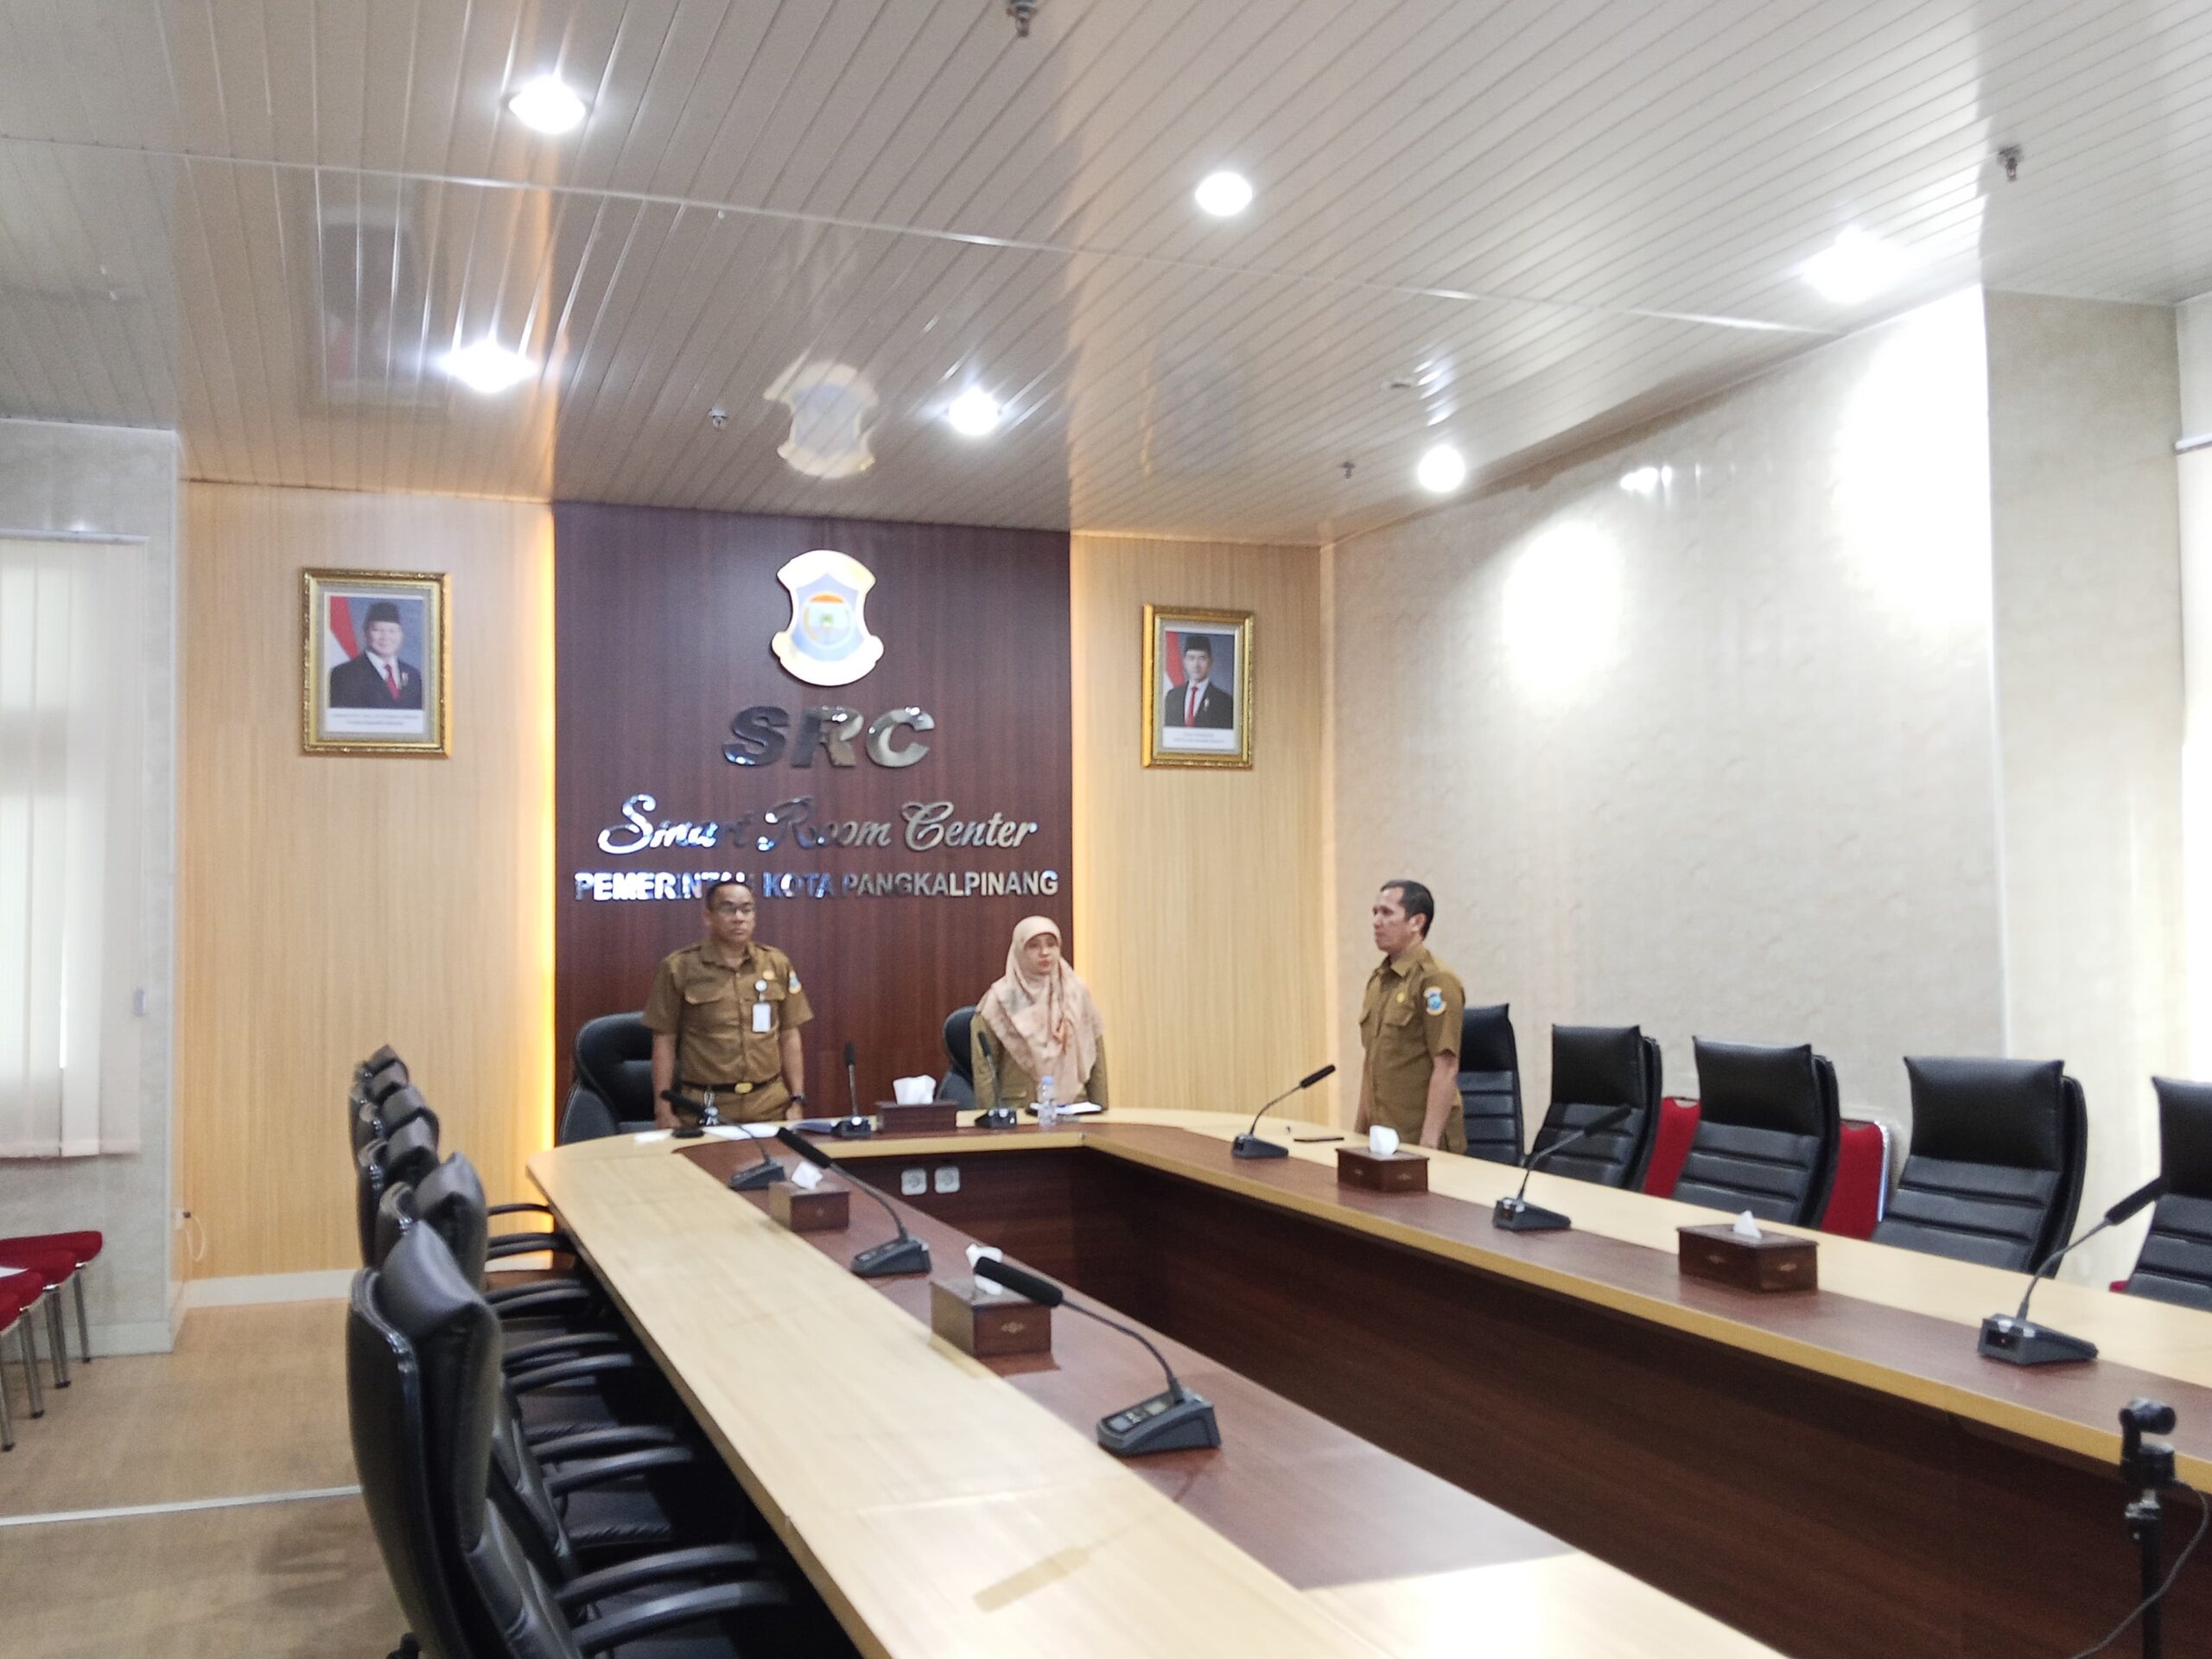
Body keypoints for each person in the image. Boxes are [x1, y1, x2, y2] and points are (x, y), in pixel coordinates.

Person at [642, 880, 810, 1128]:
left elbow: (789, 1034)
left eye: (747, 909)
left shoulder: (776, 963)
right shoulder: (679, 967)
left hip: (770, 1106)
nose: (739, 918)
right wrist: (662, 1109)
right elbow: (664, 1039)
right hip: (704, 1107)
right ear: (708, 916)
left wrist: (797, 1099)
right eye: (728, 909)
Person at [1355, 880, 1465, 1153]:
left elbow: (1446, 1066)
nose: (1376, 922)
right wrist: (1358, 1133)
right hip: (1382, 1138)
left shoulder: (1435, 980)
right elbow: (1372, 1063)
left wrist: (1428, 1147)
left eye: (1387, 913)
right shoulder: (1379, 980)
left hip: (1420, 1140)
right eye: (1375, 913)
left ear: (1417, 921)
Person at [972, 915, 1109, 1113]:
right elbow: (984, 1069)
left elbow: (1096, 1055)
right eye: (1034, 946)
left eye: (1051, 944)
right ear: (1019, 950)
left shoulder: (1076, 993)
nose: (1044, 952)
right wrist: (990, 1117)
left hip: (1076, 1107)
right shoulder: (1000, 999)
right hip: (1021, 1110)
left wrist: (1101, 1110)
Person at [329, 600, 426, 709]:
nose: (385, 637)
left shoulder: (413, 676)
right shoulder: (343, 675)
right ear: (365, 633)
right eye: (378, 630)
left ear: (401, 635)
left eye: (392, 631)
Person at [1162, 633, 1233, 728]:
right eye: (1191, 658)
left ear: (1210, 662)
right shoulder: (1172, 696)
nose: (1196, 665)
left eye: (1202, 658)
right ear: (1184, 662)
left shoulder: (1223, 701)